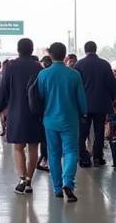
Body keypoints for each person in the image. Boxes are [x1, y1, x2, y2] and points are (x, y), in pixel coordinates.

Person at [35, 41, 88, 201]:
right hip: (70, 120)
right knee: (71, 152)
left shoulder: (43, 74)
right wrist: (84, 112)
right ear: (65, 55)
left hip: (50, 120)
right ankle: (68, 183)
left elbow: (40, 98)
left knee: (54, 153)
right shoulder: (74, 74)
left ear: (50, 55)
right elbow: (81, 99)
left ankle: (57, 188)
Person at [0, 37, 43, 195]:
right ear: (32, 49)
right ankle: (30, 180)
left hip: (17, 111)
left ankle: (22, 179)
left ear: (18, 49)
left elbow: (3, 90)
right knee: (34, 147)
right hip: (35, 112)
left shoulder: (10, 67)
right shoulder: (38, 67)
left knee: (18, 147)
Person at [75, 41, 116, 168]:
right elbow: (112, 85)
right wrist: (112, 99)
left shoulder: (79, 64)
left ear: (85, 50)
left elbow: (76, 86)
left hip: (84, 106)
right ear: (96, 49)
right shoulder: (104, 64)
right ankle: (98, 157)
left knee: (82, 132)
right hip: (101, 104)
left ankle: (83, 158)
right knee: (99, 132)